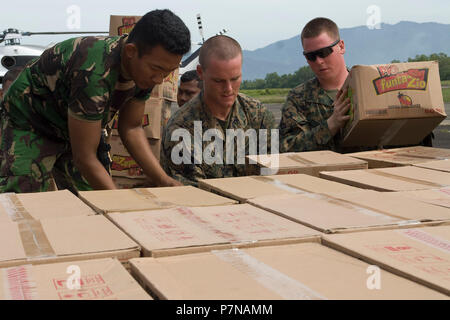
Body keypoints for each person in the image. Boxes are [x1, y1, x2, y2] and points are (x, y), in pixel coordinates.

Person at [0, 9, 190, 193]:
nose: (160, 79)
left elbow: (131, 128)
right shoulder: (93, 72)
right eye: (157, 69)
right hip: (31, 120)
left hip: (75, 124)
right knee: (22, 198)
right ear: (131, 51)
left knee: (92, 196)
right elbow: (84, 157)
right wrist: (119, 205)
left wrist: (164, 180)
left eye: (167, 72)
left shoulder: (146, 68)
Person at [161, 35, 276, 186]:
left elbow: (272, 175)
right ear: (201, 73)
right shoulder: (181, 129)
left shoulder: (258, 115)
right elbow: (196, 193)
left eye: (235, 79)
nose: (228, 89)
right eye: (219, 81)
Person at [279, 17, 352, 153]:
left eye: (324, 53)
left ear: (341, 46)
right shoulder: (298, 99)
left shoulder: (367, 86)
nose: (319, 61)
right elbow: (286, 147)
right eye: (311, 56)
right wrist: (330, 125)